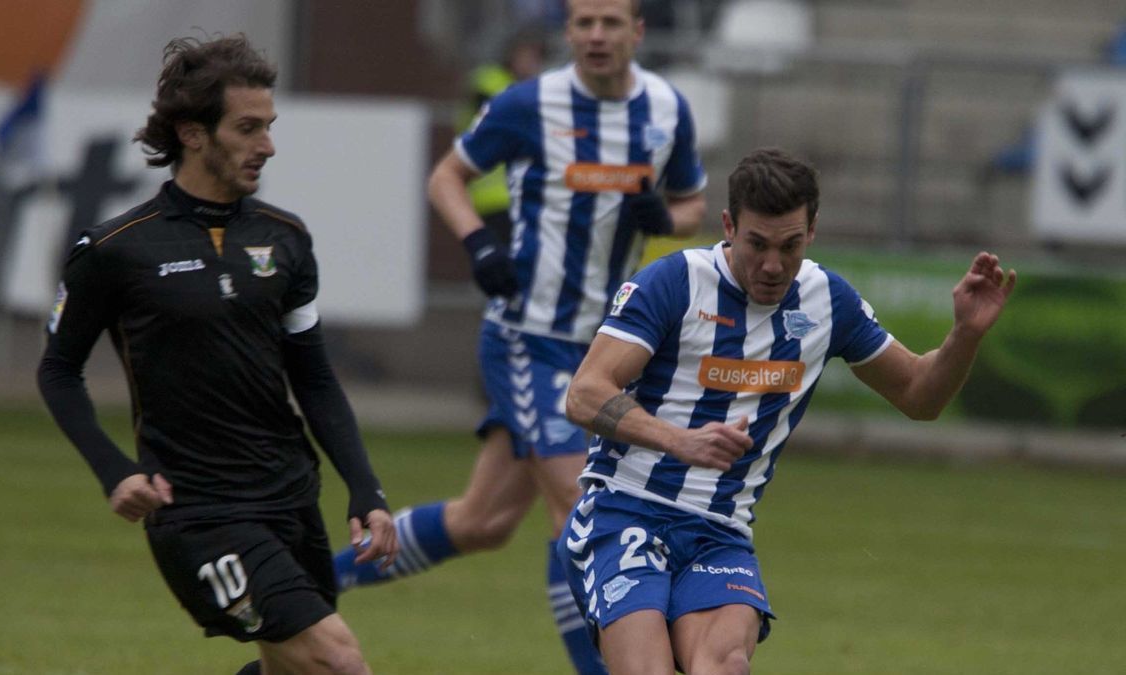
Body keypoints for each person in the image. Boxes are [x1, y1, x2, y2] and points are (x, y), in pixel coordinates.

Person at [332, 0, 707, 673]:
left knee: (485, 519)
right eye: (584, 22)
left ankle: (314, 583)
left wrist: (668, 216)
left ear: (637, 32)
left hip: (609, 350)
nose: (596, 35)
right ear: (568, 31)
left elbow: (693, 202)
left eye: (610, 22)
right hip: (529, 339)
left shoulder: (665, 108)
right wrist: (478, 244)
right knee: (581, 506)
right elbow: (448, 176)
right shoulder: (528, 103)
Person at [557, 147, 1016, 674]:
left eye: (790, 245)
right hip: (625, 512)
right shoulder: (674, 282)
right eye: (757, 244)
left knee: (726, 665)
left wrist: (964, 335)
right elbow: (585, 393)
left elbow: (919, 395)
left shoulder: (826, 301)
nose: (773, 265)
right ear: (729, 226)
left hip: (719, 531)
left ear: (812, 231)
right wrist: (677, 440)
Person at [36, 35, 397, 675]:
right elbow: (58, 370)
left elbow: (312, 376)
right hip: (198, 509)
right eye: (248, 128)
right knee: (338, 662)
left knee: (293, 669)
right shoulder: (116, 248)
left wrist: (363, 487)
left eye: (270, 127)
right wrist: (114, 471)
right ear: (193, 134)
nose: (268, 145)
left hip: (290, 495)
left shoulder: (285, 239)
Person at [459, 26, 547, 245]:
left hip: (514, 195)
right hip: (494, 194)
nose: (533, 64)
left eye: (537, 58)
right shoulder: (490, 81)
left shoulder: (525, 88)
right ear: (512, 54)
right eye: (528, 56)